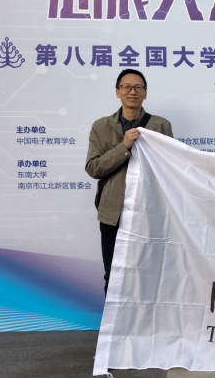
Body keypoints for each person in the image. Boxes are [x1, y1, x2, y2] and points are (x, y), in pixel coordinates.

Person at [85, 69, 173, 295]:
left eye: (138, 87)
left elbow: (170, 168)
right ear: (118, 92)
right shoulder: (101, 126)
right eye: (126, 87)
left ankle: (145, 319)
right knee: (114, 274)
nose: (132, 91)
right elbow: (93, 168)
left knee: (149, 273)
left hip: (149, 212)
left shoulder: (160, 125)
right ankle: (113, 319)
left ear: (145, 93)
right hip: (113, 215)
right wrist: (123, 146)